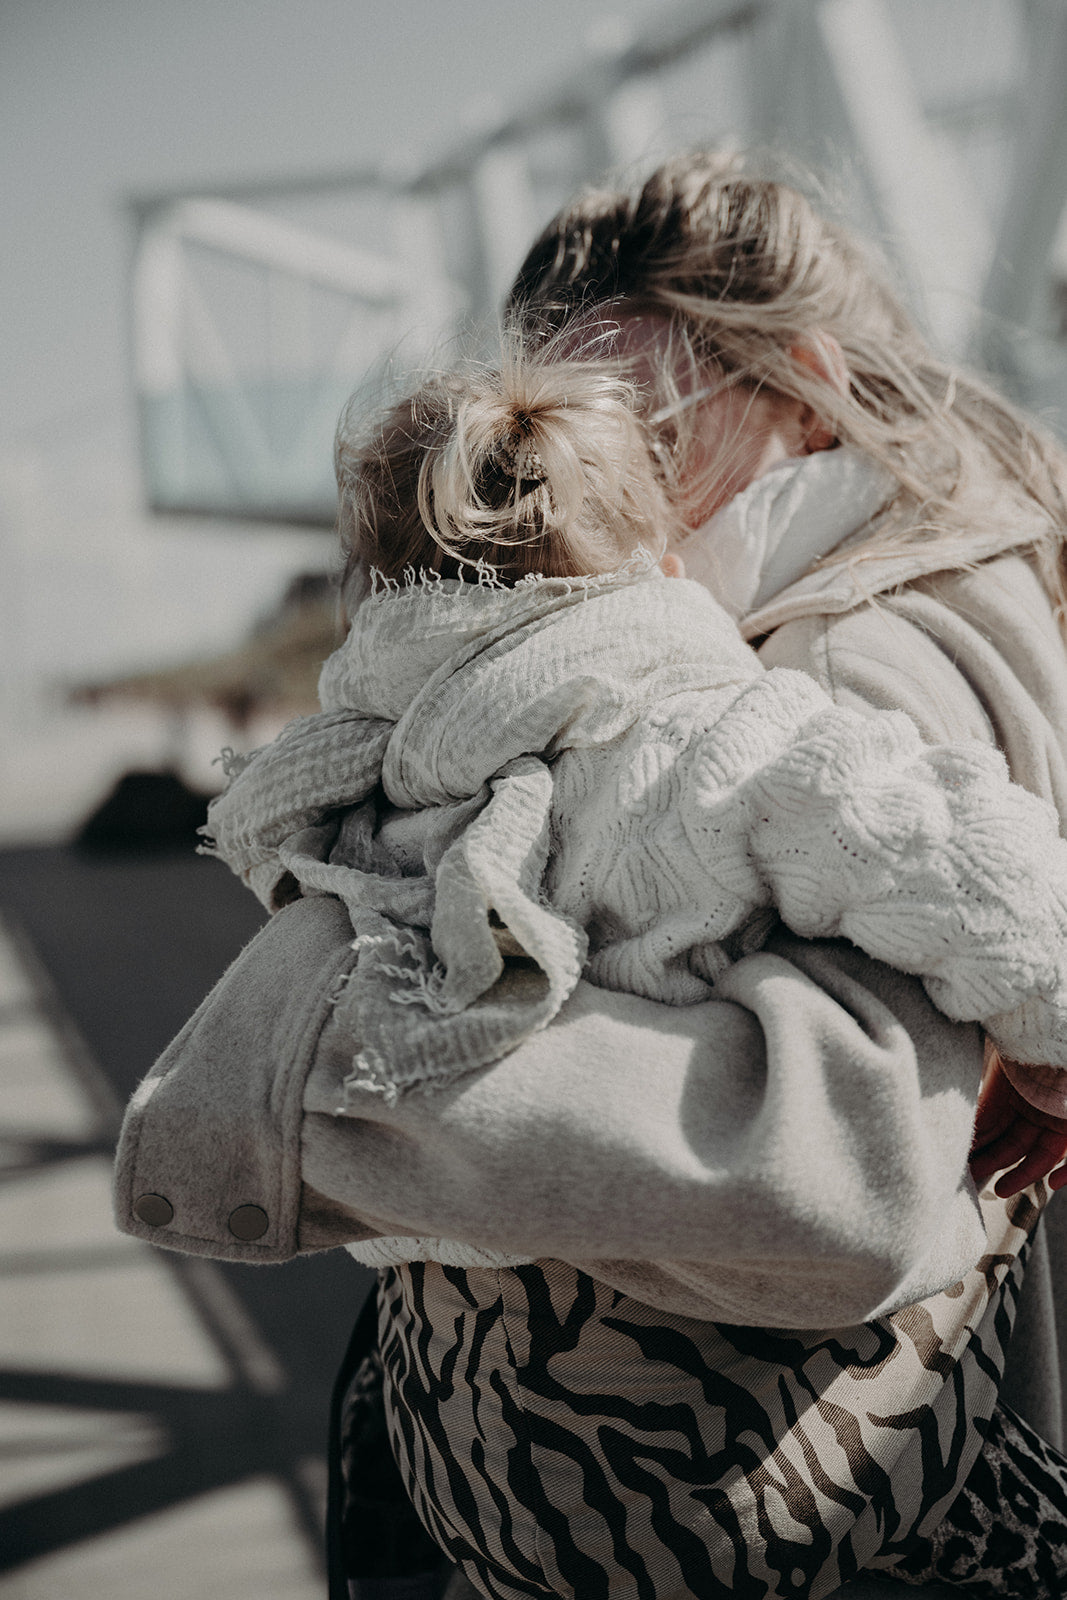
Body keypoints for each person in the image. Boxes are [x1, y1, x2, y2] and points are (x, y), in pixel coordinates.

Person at [113, 152, 1067, 1599]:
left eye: (634, 419)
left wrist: (343, 1080)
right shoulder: (914, 586)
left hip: (762, 1510)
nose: (593, 480)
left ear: (799, 382)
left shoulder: (846, 651)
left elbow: (846, 1161)